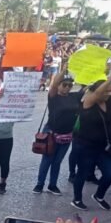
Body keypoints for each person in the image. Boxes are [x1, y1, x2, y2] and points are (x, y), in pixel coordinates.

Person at [72, 69, 111, 211]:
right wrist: (110, 78)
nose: (109, 93)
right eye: (106, 91)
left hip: (104, 146)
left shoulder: (109, 101)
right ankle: (77, 199)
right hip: (85, 146)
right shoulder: (88, 101)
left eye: (110, 91)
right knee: (82, 173)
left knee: (110, 173)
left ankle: (99, 196)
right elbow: (98, 93)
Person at [34, 64, 82, 195]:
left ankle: (52, 185)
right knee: (47, 160)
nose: (67, 87)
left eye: (70, 85)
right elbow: (54, 84)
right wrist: (64, 70)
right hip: (51, 133)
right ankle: (39, 184)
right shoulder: (54, 97)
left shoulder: (74, 96)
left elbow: (89, 89)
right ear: (59, 85)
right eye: (64, 84)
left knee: (57, 161)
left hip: (66, 135)